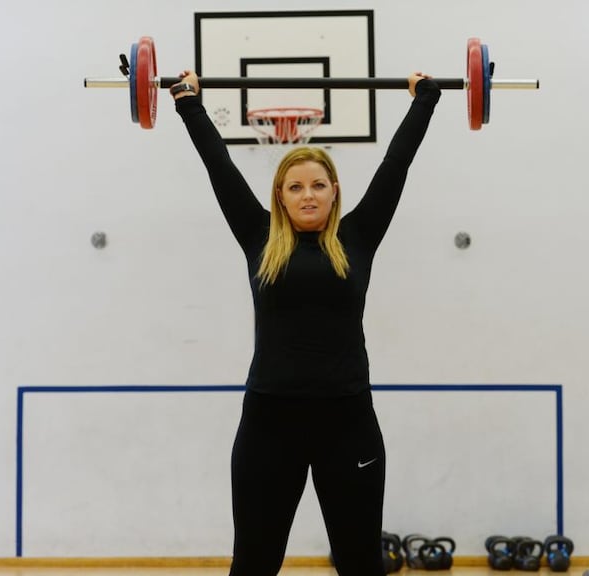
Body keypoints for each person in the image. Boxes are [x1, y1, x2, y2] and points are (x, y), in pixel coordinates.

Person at [169, 70, 440, 576]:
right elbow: (219, 166)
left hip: (348, 422)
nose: (308, 194)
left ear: (334, 192)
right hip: (269, 423)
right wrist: (188, 103)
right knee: (254, 561)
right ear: (281, 196)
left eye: (318, 185)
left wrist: (423, 102)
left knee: (361, 562)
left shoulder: (358, 238)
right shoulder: (257, 238)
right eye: (295, 187)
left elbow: (395, 166)